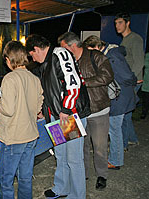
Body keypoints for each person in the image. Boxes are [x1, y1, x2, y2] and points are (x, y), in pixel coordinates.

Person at [26, 34, 91, 199]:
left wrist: (66, 109)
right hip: (55, 117)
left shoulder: (59, 54)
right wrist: (43, 110)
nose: (32, 58)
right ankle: (62, 187)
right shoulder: (45, 63)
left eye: (31, 54)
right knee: (61, 154)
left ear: (36, 49)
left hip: (67, 116)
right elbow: (51, 91)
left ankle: (77, 195)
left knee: (74, 159)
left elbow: (73, 83)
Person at [58, 32, 113, 190]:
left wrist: (82, 83)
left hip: (98, 110)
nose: (62, 52)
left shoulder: (95, 56)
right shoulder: (67, 61)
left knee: (99, 146)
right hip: (77, 113)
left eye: (64, 48)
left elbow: (108, 76)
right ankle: (82, 174)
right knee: (80, 147)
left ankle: (102, 175)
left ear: (72, 46)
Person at [0, 41, 44, 199]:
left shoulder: (10, 78)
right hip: (31, 135)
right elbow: (38, 104)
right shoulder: (34, 78)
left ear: (9, 59)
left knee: (6, 179)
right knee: (25, 178)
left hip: (14, 137)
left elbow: (8, 109)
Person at [83, 35, 137, 170]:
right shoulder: (110, 53)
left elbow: (127, 76)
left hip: (120, 97)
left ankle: (115, 160)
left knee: (114, 129)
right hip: (122, 96)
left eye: (92, 51)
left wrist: (126, 87)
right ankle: (119, 154)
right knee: (117, 127)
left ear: (97, 47)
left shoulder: (112, 57)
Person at [114, 12, 144, 149]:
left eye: (120, 22)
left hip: (132, 81)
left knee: (123, 115)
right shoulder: (124, 39)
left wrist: (132, 80)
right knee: (127, 113)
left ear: (128, 23)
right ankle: (132, 139)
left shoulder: (135, 38)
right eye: (115, 23)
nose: (117, 26)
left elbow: (139, 62)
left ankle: (122, 144)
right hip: (127, 80)